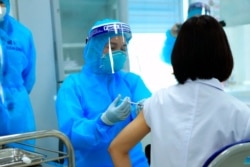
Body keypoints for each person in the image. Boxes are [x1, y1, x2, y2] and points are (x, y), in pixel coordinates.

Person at [108, 15, 250, 167]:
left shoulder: (158, 101)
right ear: (224, 54)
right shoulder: (240, 113)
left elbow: (117, 148)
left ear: (178, 54)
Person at [56, 18, 151, 167]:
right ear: (95, 48)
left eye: (123, 48)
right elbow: (72, 136)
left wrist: (146, 109)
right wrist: (104, 121)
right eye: (111, 47)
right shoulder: (73, 86)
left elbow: (150, 109)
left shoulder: (132, 81)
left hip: (132, 162)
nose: (119, 53)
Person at [0, 0, 36, 145]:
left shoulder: (22, 34)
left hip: (17, 112)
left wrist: (12, 95)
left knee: (22, 159)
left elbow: (29, 77)